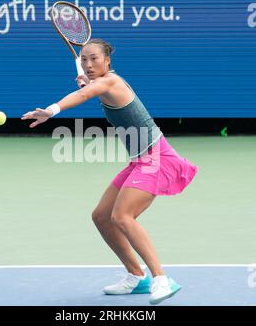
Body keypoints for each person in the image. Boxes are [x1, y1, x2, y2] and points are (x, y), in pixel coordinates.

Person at [21, 38, 199, 305]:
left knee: (123, 216)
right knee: (102, 216)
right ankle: (137, 276)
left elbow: (83, 95)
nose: (89, 64)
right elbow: (90, 89)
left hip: (156, 157)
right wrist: (90, 85)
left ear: (108, 62)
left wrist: (52, 110)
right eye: (84, 60)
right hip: (140, 159)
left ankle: (162, 278)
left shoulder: (111, 81)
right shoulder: (100, 83)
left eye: (94, 58)